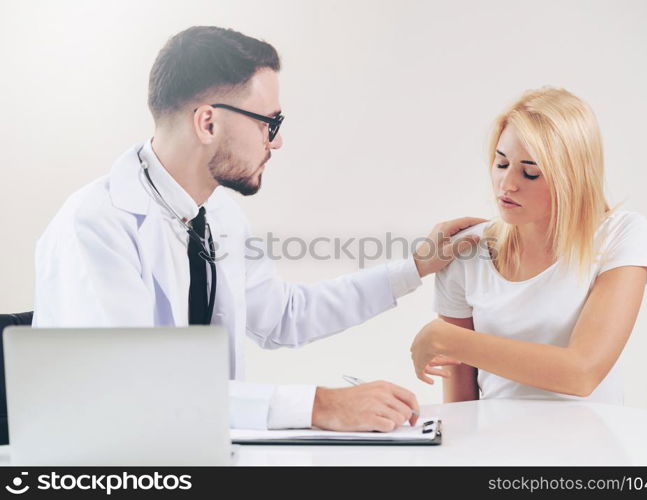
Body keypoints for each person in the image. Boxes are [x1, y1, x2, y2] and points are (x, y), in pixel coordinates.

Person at [32, 26, 483, 432]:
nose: (278, 140)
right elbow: (131, 392)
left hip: (198, 452)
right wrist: (319, 406)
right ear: (207, 121)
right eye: (270, 122)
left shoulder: (215, 213)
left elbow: (284, 316)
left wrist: (416, 267)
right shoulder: (95, 226)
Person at [410, 87, 647, 404]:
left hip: (591, 448)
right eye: (501, 164)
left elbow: (582, 373)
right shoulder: (465, 249)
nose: (507, 184)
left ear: (572, 177)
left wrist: (448, 340)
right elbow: (461, 406)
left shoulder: (621, 235)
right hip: (496, 445)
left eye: (531, 173)